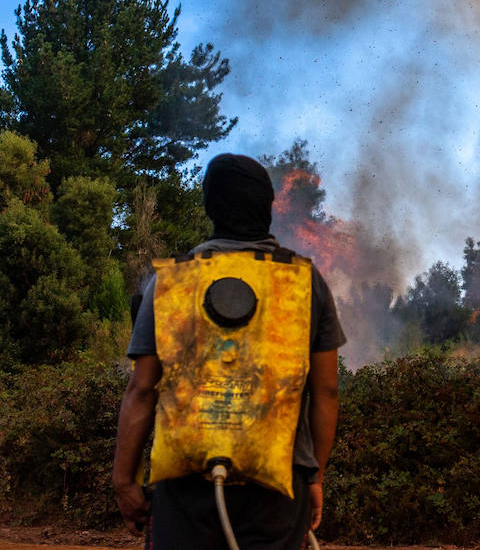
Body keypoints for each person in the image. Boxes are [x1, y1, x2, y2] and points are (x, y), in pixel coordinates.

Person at [113, 153, 347, 549]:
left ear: (209, 206)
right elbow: (326, 392)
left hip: (184, 488)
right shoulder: (306, 282)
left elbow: (141, 390)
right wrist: (314, 477)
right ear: (269, 207)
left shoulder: (171, 282)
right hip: (278, 490)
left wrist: (124, 480)